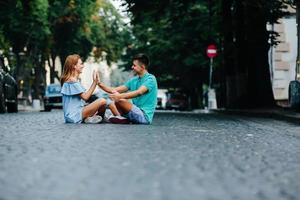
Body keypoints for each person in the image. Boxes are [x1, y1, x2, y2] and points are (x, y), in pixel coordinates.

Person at [97, 53, 158, 124]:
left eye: (134, 65)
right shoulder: (133, 80)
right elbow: (114, 90)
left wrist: (119, 96)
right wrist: (99, 83)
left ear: (143, 66)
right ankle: (121, 118)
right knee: (112, 102)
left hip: (144, 116)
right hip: (134, 112)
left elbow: (139, 92)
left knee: (119, 100)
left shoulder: (150, 79)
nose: (132, 67)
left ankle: (119, 117)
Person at [60, 54, 107, 124]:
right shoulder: (72, 81)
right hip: (75, 115)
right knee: (102, 101)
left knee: (101, 103)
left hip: (71, 115)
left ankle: (91, 118)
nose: (83, 66)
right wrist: (95, 82)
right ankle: (100, 118)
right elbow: (85, 97)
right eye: (81, 64)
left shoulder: (69, 80)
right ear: (74, 66)